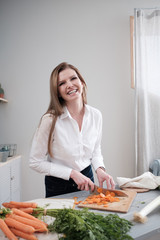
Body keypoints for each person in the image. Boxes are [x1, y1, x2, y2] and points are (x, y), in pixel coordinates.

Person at [29, 62, 115, 197]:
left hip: (87, 179)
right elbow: (35, 162)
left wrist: (100, 169)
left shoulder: (96, 115)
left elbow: (95, 150)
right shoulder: (50, 120)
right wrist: (72, 173)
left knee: (89, 218)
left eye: (73, 78)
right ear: (57, 92)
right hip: (58, 185)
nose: (69, 84)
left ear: (82, 82)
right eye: (61, 83)